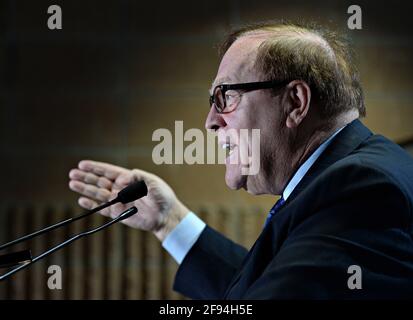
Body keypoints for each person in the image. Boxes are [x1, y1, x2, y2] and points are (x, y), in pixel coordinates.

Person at [68, 21, 413, 299]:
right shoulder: (347, 176)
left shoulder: (359, 187)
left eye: (226, 96)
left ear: (295, 102)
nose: (210, 122)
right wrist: (168, 219)